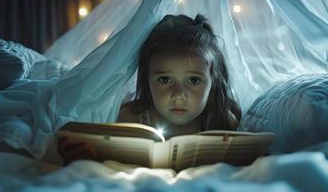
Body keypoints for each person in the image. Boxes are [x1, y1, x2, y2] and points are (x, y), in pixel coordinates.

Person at [58, 14, 242, 165]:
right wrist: (79, 155)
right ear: (147, 80)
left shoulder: (222, 121)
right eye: (164, 79)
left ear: (213, 82)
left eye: (194, 80)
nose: (178, 95)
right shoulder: (129, 119)